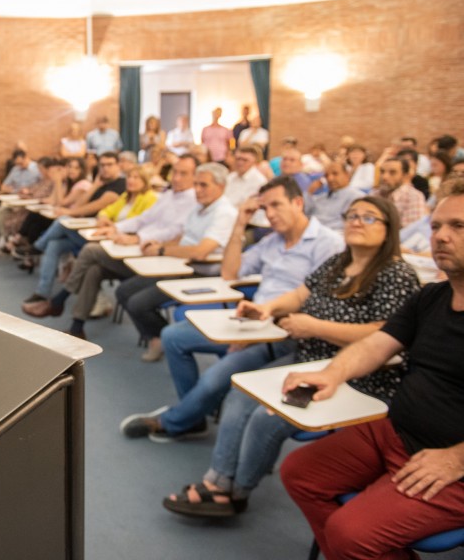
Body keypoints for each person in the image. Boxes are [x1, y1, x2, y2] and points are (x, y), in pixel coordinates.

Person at [162, 196, 420, 518]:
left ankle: (238, 491)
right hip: (308, 357)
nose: (356, 221)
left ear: (389, 229)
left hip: (357, 375)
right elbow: (300, 295)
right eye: (352, 215)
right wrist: (267, 308)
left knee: (264, 416)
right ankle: (218, 479)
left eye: (369, 218)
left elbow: (386, 335)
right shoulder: (339, 262)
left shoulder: (396, 275)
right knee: (239, 395)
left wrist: (315, 326)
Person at [280, 178, 464, 559]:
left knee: (350, 532)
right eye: (435, 226)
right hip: (397, 433)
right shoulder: (431, 297)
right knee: (298, 472)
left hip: (453, 459)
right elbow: (377, 345)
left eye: (458, 227)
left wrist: (456, 458)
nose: (441, 237)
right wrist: (332, 374)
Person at [120, 176, 344, 433]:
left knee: (214, 379)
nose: (269, 214)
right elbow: (229, 273)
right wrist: (239, 225)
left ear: (297, 202)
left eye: (276, 205)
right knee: (172, 337)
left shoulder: (328, 244)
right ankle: (192, 416)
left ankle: (174, 422)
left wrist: (261, 330)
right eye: (264, 208)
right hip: (252, 320)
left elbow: (316, 302)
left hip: (284, 331)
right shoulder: (272, 241)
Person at [22, 158, 198, 336]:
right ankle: (77, 326)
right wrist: (114, 227)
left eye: (183, 174)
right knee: (93, 270)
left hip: (151, 254)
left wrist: (137, 237)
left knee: (89, 249)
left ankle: (59, 300)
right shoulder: (168, 195)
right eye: (174, 172)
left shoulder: (188, 200)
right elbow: (142, 219)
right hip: (135, 246)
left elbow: (174, 231)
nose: (176, 178)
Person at [114, 162, 238, 360]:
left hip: (199, 274)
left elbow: (200, 252)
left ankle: (162, 336)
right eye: (196, 184)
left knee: (138, 303)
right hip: (177, 265)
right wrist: (159, 244)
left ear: (221, 187)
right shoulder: (198, 207)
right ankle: (159, 336)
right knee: (124, 291)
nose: (197, 190)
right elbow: (183, 237)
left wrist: (163, 250)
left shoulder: (225, 212)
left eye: (204, 185)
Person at [19, 153, 127, 299]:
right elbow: (82, 204)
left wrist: (70, 212)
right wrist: (95, 186)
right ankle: (42, 292)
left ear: (118, 166)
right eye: (102, 165)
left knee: (62, 220)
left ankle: (37, 247)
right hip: (85, 230)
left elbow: (95, 206)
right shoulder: (101, 183)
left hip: (99, 237)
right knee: (53, 245)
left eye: (110, 165)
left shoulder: (119, 185)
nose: (105, 169)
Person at [305, 161, 366, 232]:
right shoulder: (320, 197)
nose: (330, 179)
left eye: (335, 174)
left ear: (347, 175)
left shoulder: (357, 197)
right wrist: (309, 192)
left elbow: (348, 224)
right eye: (326, 175)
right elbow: (304, 214)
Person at [378, 156, 428, 228]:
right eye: (382, 172)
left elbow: (408, 232)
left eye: (392, 172)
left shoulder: (414, 197)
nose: (384, 177)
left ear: (405, 176)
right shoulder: (375, 194)